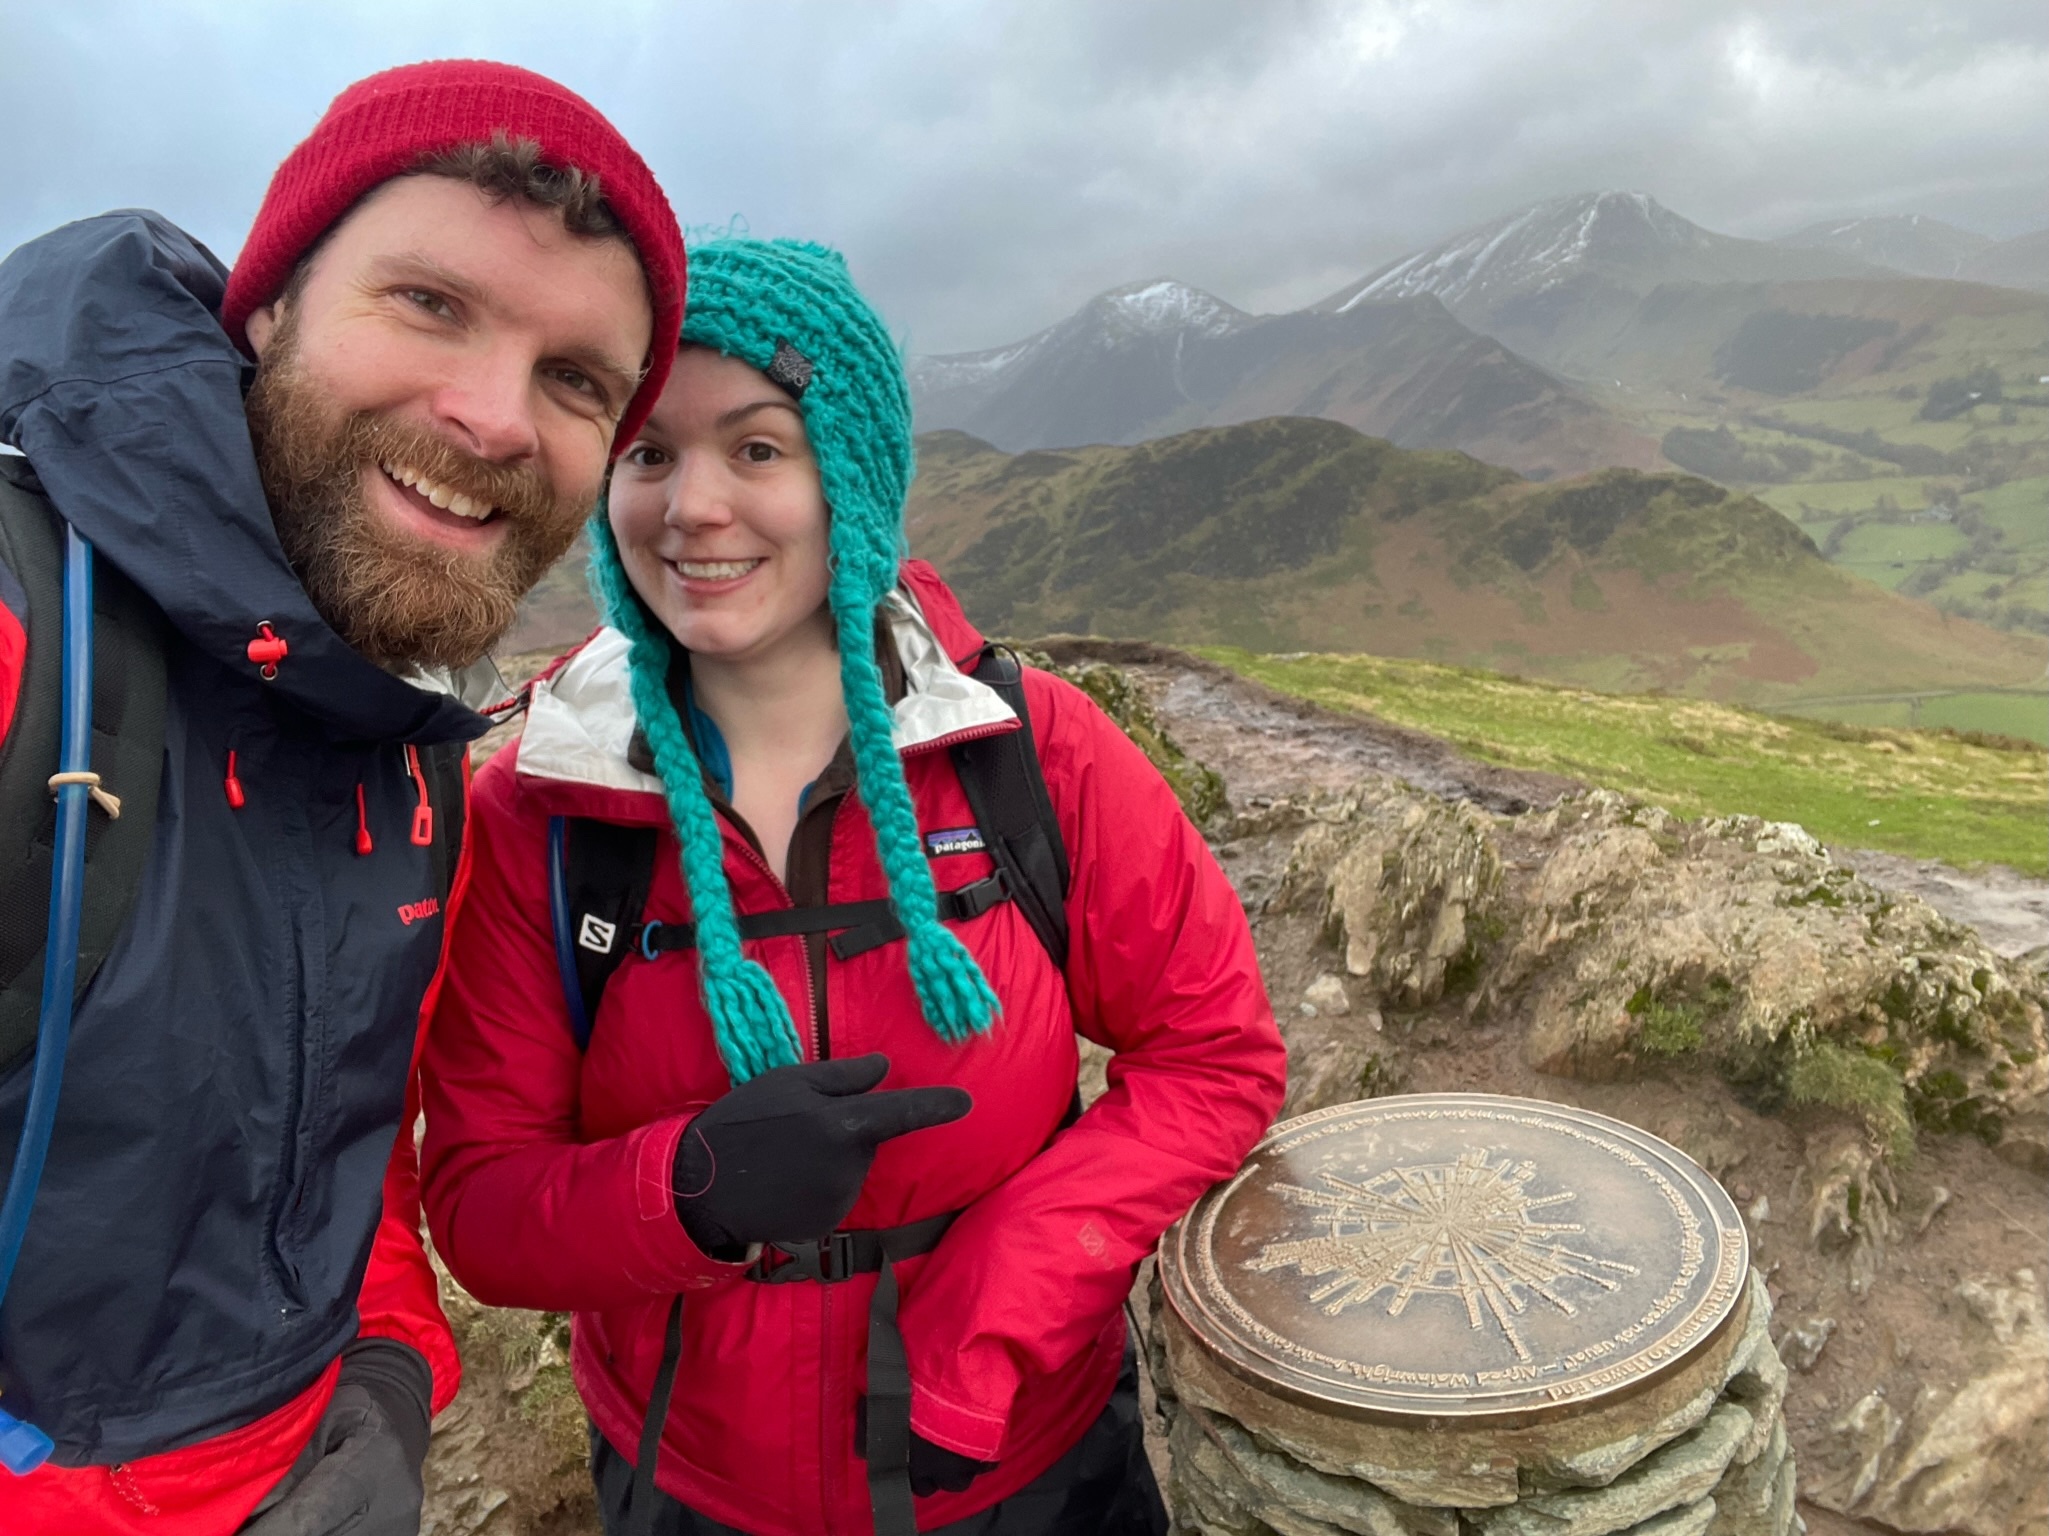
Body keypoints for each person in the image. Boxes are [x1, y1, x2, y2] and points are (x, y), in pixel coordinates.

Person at [418, 237, 1286, 1536]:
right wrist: (686, 1193)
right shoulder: (542, 815)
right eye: (649, 452)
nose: (692, 506)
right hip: (689, 1483)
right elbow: (482, 1205)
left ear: (852, 483)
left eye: (758, 450)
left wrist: (988, 1312)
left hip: (1022, 1463)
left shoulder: (1029, 757)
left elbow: (1211, 1059)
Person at [0, 61, 684, 1536]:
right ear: (266, 306)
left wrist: (379, 1376)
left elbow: (335, 1145)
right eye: (429, 302)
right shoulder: (24, 630)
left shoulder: (399, 725)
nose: (495, 418)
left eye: (576, 379)